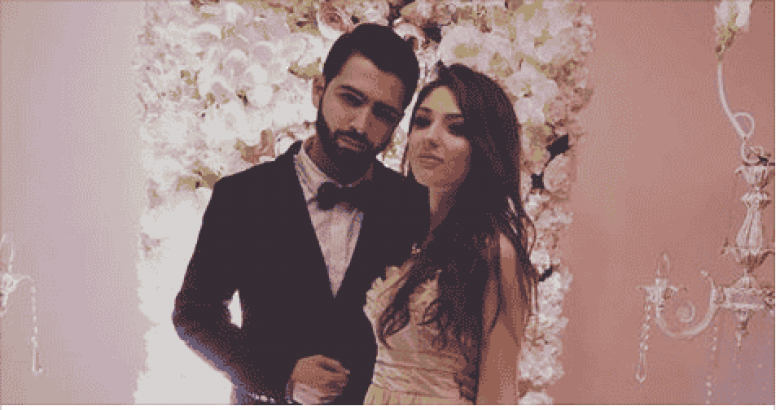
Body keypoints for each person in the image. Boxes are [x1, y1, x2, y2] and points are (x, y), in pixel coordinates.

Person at [172, 23, 427, 405]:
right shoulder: (241, 197)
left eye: (384, 113)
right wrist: (279, 377)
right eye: (351, 99)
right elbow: (195, 315)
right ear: (318, 90)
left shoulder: (415, 206)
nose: (362, 124)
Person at [362, 63, 538, 405]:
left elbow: (499, 393)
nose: (431, 137)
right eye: (422, 121)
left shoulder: (494, 250)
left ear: (485, 147)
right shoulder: (410, 234)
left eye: (456, 128)